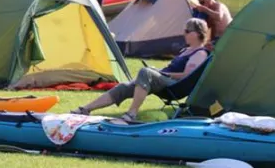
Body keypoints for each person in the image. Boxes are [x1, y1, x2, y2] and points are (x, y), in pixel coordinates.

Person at [73, 18, 211, 122]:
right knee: (124, 87)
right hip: (164, 79)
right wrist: (159, 72)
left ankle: (131, 113)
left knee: (145, 72)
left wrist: (162, 73)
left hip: (174, 85)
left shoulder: (200, 53)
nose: (184, 34)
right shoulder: (186, 50)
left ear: (197, 34)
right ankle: (85, 109)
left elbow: (186, 76)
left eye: (187, 31)